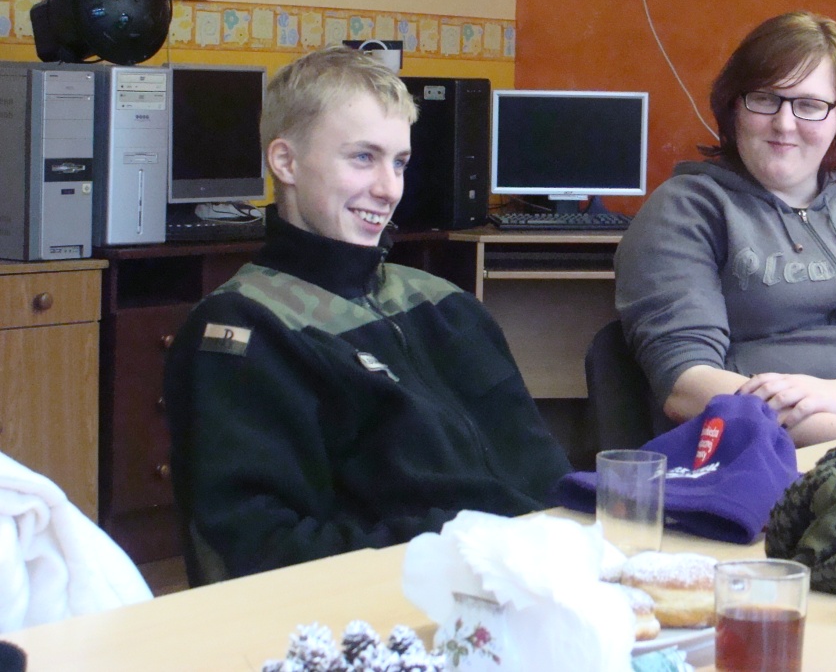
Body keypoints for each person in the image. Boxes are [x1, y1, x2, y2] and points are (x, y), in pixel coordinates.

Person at [164, 46, 571, 581]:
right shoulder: (247, 331)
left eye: (399, 162)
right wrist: (471, 547)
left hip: (543, 579)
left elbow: (544, 478)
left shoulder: (447, 306)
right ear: (285, 162)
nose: (388, 189)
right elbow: (262, 553)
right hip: (410, 604)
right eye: (362, 158)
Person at [615, 11, 836, 446]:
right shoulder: (686, 209)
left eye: (809, 105)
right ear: (734, 108)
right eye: (765, 99)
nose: (784, 123)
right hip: (776, 452)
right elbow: (687, 386)